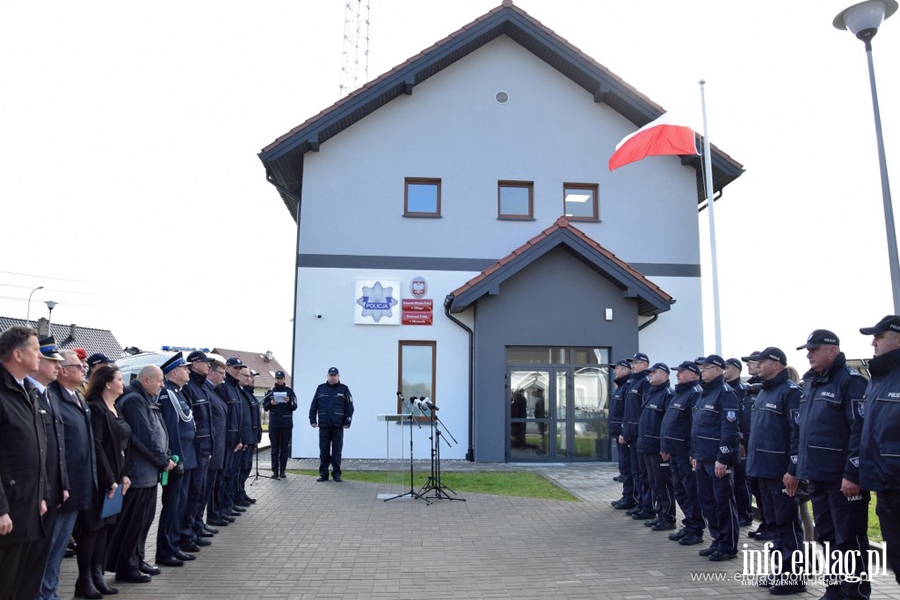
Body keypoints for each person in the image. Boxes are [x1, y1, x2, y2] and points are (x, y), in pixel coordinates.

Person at [796, 329, 870, 599]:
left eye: (814, 350)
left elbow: (860, 431)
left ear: (833, 351)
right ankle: (835, 588)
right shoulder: (811, 383)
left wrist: (853, 473)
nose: (809, 354)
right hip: (818, 476)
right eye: (808, 350)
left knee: (849, 539)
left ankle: (855, 593)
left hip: (843, 479)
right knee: (826, 537)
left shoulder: (851, 382)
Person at [40, 349, 98, 600]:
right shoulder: (52, 398)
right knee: (47, 549)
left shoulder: (76, 398)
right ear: (62, 370)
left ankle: (50, 593)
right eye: (77, 366)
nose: (83, 369)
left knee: (58, 548)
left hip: (77, 486)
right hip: (60, 488)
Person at [746, 347, 805, 595]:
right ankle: (782, 570)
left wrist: (793, 469)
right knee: (774, 525)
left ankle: (794, 576)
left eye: (762, 362)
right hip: (762, 469)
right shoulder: (764, 391)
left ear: (777, 364)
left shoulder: (789, 393)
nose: (757, 366)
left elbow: (797, 433)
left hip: (780, 472)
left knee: (787, 524)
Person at [105, 365, 171, 584]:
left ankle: (137, 558)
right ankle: (127, 566)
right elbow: (143, 438)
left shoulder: (145, 398)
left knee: (144, 520)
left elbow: (157, 431)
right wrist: (163, 460)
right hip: (139, 473)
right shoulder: (134, 401)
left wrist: (166, 455)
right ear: (146, 380)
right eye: (160, 380)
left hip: (149, 473)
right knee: (133, 522)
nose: (162, 384)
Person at [0, 326, 50, 600]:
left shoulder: (25, 391)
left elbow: (35, 450)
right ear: (17, 354)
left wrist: (41, 495)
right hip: (8, 510)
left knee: (23, 582)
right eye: (35, 350)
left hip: (27, 504)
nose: (40, 356)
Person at [23, 337, 68, 597]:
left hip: (52, 487)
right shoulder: (28, 394)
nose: (56, 367)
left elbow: (59, 447)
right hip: (34, 489)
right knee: (33, 555)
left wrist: (63, 484)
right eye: (51, 361)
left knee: (49, 551)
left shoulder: (48, 395)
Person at [857, 315, 900, 585]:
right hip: (885, 486)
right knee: (896, 555)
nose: (873, 342)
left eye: (879, 336)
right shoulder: (879, 378)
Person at [83, 364, 132, 597]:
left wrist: (124, 475)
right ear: (107, 383)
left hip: (116, 478)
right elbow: (97, 446)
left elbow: (123, 443)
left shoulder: (115, 408)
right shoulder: (95, 409)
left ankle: (97, 574)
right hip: (102, 480)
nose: (123, 383)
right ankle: (85, 579)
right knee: (92, 530)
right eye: (120, 379)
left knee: (105, 529)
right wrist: (110, 479)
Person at [691, 354, 740, 562]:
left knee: (723, 503)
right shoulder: (703, 393)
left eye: (706, 368)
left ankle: (728, 545)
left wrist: (723, 458)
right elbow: (697, 427)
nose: (702, 371)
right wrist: (694, 453)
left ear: (719, 370)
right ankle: (717, 540)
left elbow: (729, 430)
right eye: (701, 368)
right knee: (708, 502)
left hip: (717, 461)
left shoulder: (725, 394)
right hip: (702, 458)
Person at [155, 353, 199, 567]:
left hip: (188, 457)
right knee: (172, 507)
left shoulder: (179, 394)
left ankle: (174, 546)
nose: (188, 371)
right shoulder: (168, 394)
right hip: (178, 459)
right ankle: (165, 551)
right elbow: (172, 429)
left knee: (180, 506)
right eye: (184, 368)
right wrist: (177, 459)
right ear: (173, 372)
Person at [660, 360, 704, 546]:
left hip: (685, 453)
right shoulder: (679, 394)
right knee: (680, 491)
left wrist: (693, 452)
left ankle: (696, 529)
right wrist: (665, 447)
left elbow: (695, 426)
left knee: (690, 492)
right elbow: (669, 423)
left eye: (682, 372)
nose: (677, 375)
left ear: (693, 374)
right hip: (674, 452)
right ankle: (688, 524)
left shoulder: (694, 394)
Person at [182, 351, 216, 542]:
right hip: (195, 450)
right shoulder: (190, 388)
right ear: (195, 364)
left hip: (204, 449)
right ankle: (187, 533)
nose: (208, 367)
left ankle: (195, 526)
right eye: (205, 363)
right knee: (193, 492)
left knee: (200, 491)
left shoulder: (201, 387)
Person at [639, 363, 675, 531]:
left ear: (665, 375)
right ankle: (660, 514)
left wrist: (665, 446)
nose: (650, 375)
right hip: (647, 446)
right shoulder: (651, 394)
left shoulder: (667, 395)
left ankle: (668, 517)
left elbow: (668, 424)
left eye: (654, 372)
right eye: (650, 373)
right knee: (654, 483)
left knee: (663, 483)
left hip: (658, 449)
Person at [621, 353, 652, 520]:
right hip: (631, 435)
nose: (633, 365)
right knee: (636, 472)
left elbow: (643, 412)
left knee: (643, 473)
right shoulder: (632, 382)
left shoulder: (645, 383)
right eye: (632, 362)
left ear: (645, 364)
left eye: (636, 363)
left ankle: (647, 506)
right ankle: (641, 504)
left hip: (640, 436)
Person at [309, 367, 354, 482]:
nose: (332, 377)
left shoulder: (344, 389)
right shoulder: (321, 388)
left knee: (336, 452)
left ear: (338, 376)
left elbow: (350, 407)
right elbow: (314, 405)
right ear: (327, 376)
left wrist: (347, 422)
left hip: (338, 426)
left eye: (335, 375)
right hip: (324, 425)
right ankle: (323, 474)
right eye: (331, 375)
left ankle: (336, 474)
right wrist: (312, 420)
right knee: (324, 451)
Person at [724, 358, 754, 528]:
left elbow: (742, 418)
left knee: (741, 481)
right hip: (732, 440)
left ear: (736, 370)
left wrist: (741, 440)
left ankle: (745, 513)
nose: (723, 371)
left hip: (740, 442)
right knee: (734, 482)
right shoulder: (725, 389)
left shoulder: (741, 390)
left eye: (726, 368)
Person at [216, 358, 246, 519]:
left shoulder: (235, 387)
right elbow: (224, 418)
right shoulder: (224, 387)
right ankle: (220, 509)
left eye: (240, 368)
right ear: (227, 368)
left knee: (230, 475)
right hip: (226, 441)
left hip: (235, 441)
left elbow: (238, 418)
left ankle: (227, 505)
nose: (238, 371)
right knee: (223, 477)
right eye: (235, 367)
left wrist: (239, 439)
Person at [204, 360, 230, 529]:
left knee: (211, 487)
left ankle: (201, 523)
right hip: (210, 449)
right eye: (221, 373)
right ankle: (199, 523)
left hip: (219, 446)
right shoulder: (205, 390)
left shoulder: (215, 391)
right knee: (204, 490)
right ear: (211, 372)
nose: (223, 376)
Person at [609, 360, 635, 509]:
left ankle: (630, 498)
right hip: (619, 433)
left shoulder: (627, 386)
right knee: (624, 467)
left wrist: (623, 432)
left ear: (626, 370)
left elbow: (628, 412)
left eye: (618, 368)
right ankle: (627, 495)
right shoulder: (621, 386)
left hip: (624, 434)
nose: (615, 371)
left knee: (627, 467)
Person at [263, 370, 298, 479]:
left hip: (286, 424)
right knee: (274, 448)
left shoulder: (290, 391)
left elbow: (295, 406)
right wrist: (271, 403)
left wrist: (289, 401)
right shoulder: (270, 391)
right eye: (277, 378)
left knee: (284, 448)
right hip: (274, 423)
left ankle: (282, 470)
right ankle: (275, 471)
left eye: (280, 378)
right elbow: (265, 407)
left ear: (284, 379)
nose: (279, 380)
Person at [236, 366, 261, 503]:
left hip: (251, 437)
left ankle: (241, 492)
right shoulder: (240, 393)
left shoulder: (248, 394)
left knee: (246, 467)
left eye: (252, 377)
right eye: (248, 376)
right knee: (241, 468)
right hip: (245, 438)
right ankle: (237, 494)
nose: (251, 379)